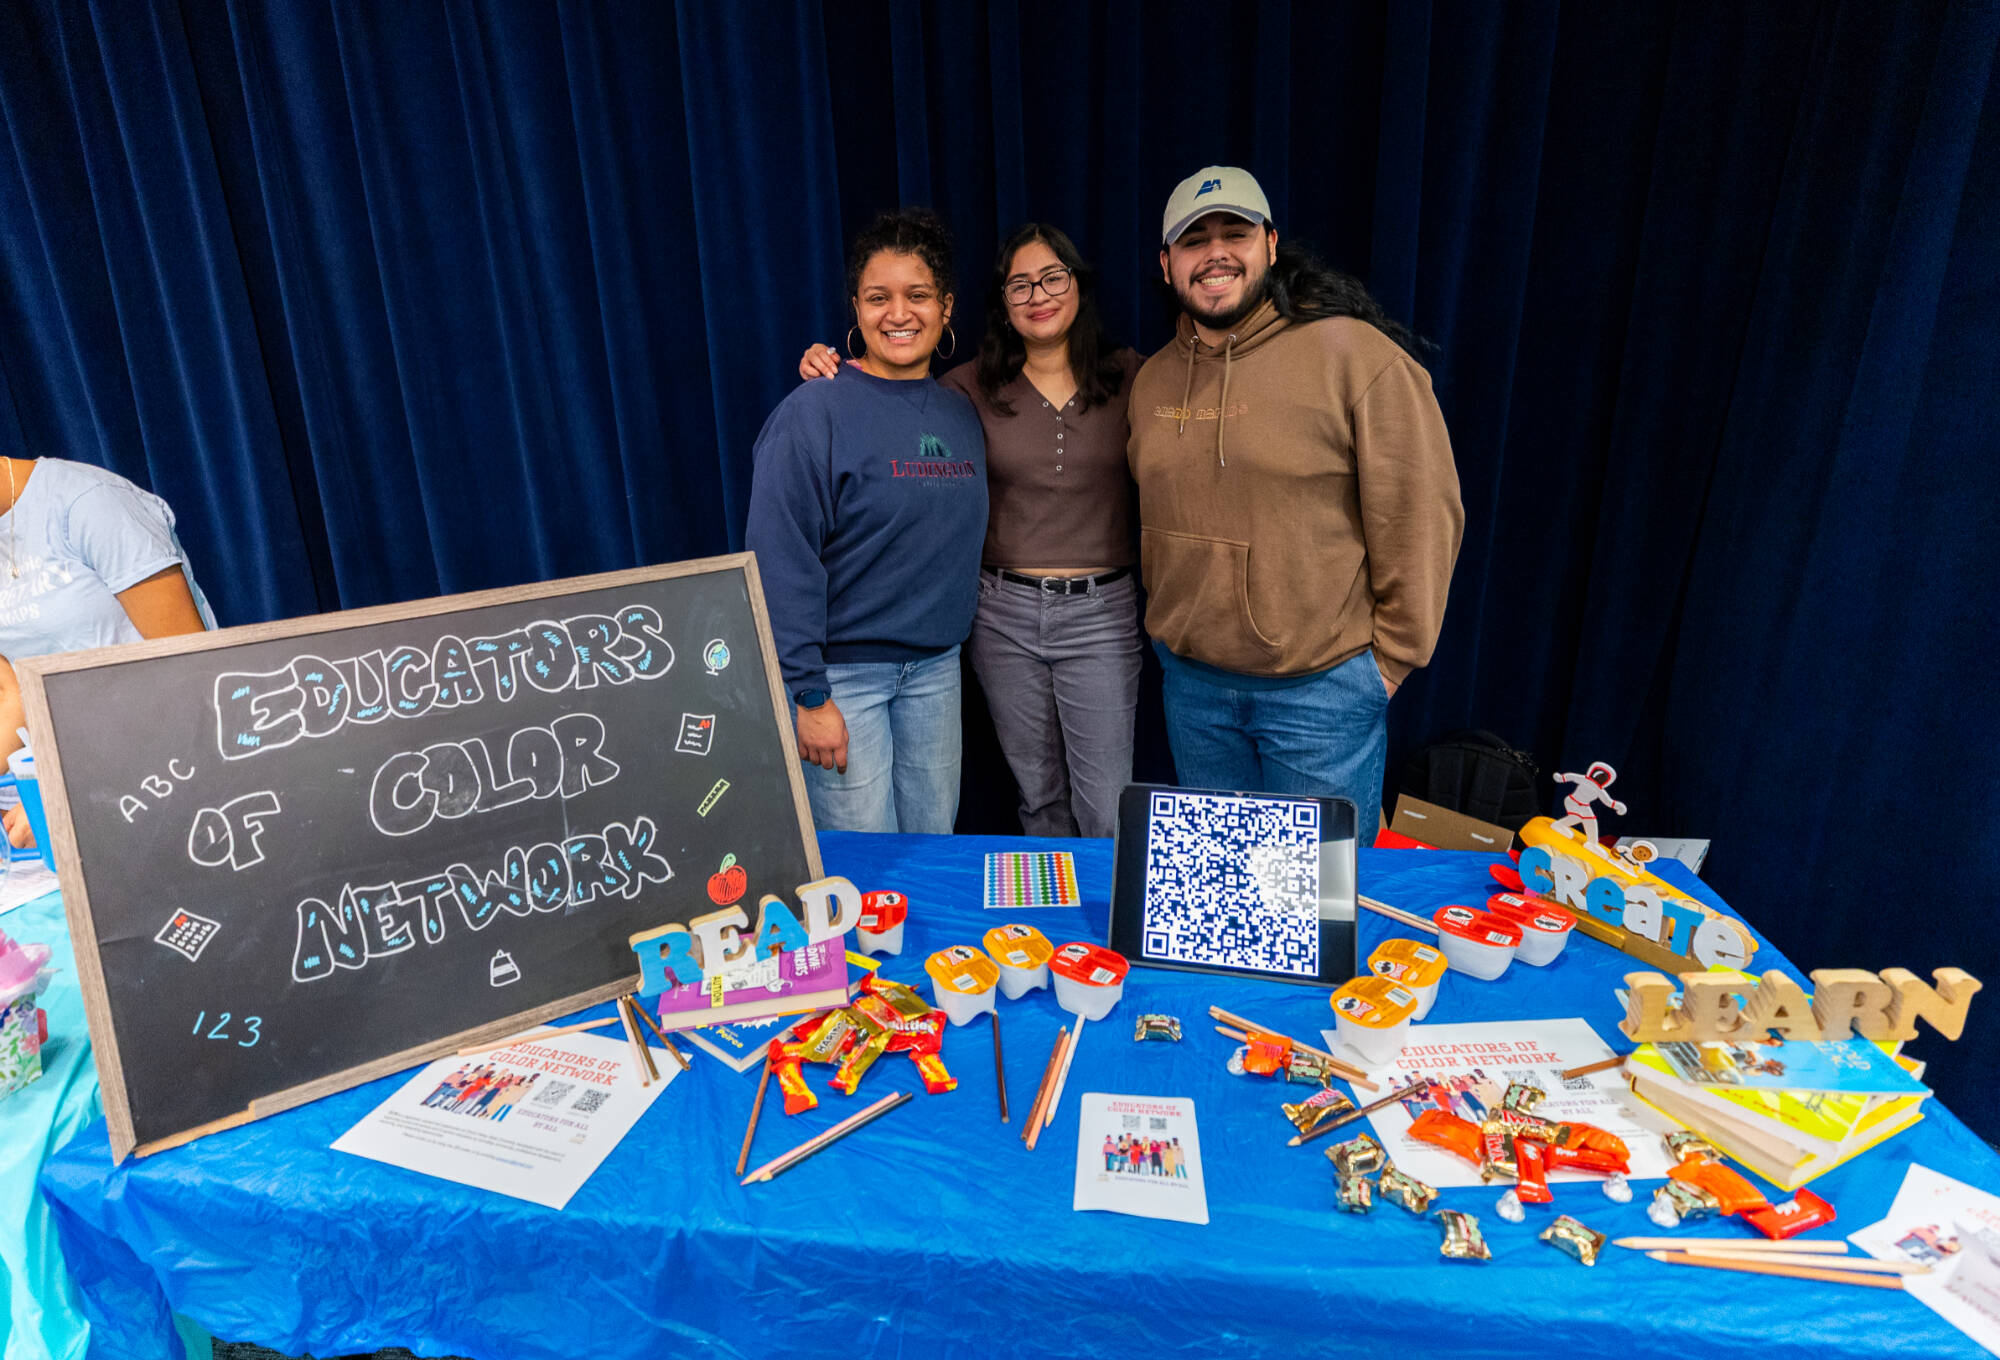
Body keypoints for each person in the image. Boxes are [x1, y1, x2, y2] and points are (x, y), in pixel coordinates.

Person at [1128, 167, 1464, 833]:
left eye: (1235, 233)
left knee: (1311, 911)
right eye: (1194, 240)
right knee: (1222, 895)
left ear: (1271, 245)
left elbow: (1421, 515)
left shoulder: (1353, 356)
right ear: (1167, 264)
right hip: (1193, 694)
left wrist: (1389, 666)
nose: (1216, 253)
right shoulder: (1152, 379)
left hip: (1319, 698)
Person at [801, 224, 1142, 838]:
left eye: (1053, 277)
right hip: (1001, 613)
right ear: (1002, 303)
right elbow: (887, 396)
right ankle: (1054, 931)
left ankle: (1108, 930)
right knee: (1037, 794)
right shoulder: (968, 388)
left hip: (1101, 613)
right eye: (1019, 285)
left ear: (1079, 286)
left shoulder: (1133, 378)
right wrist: (829, 368)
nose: (1037, 294)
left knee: (1106, 803)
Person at [748, 209, 988, 834]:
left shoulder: (961, 412)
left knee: (932, 850)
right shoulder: (812, 413)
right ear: (855, 308)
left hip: (937, 671)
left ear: (947, 307)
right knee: (863, 869)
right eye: (878, 298)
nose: (899, 314)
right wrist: (807, 694)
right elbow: (779, 557)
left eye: (918, 296)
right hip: (842, 681)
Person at [0, 454, 214, 846]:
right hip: (85, 784)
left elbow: (192, 671)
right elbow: (14, 690)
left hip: (177, 780)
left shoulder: (89, 501)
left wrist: (78, 793)